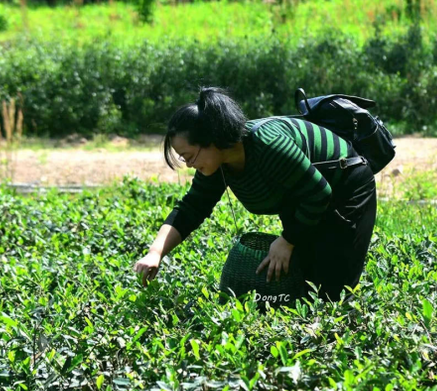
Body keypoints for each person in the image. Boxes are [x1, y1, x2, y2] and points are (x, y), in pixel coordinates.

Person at [133, 86, 377, 302]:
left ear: (212, 139)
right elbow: (191, 208)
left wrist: (288, 240)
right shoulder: (219, 164)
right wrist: (156, 253)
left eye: (189, 156)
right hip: (305, 199)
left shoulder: (267, 146)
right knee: (303, 284)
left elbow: (318, 192)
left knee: (331, 292)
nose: (188, 165)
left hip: (347, 187)